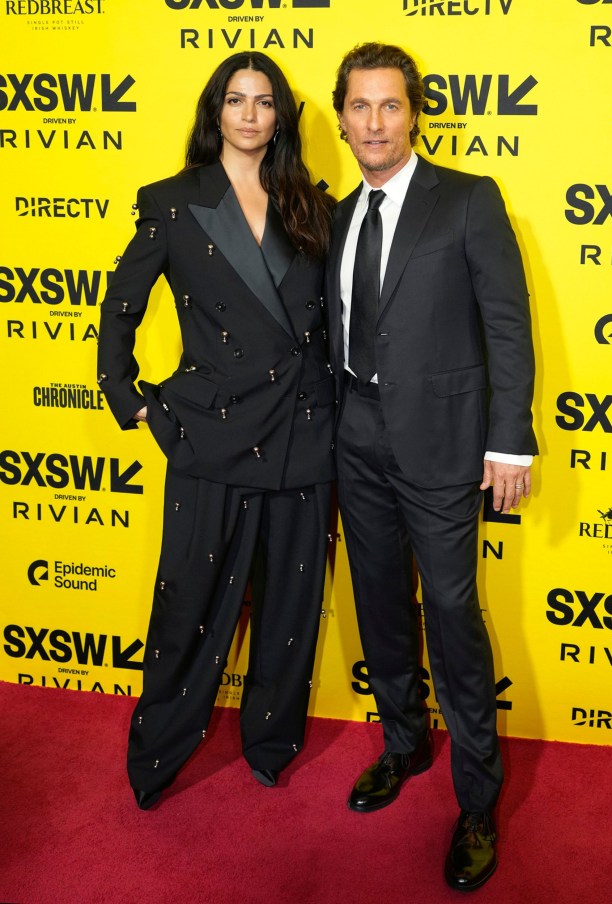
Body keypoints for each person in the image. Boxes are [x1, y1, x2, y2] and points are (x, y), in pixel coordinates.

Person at [97, 51, 336, 810]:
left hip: (303, 433)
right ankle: (161, 751)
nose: (251, 114)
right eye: (236, 99)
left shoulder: (314, 204)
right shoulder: (173, 201)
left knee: (291, 609)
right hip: (211, 433)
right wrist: (126, 396)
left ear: (281, 117)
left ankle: (270, 745)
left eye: (265, 102)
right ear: (215, 111)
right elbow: (120, 306)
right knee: (187, 604)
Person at [326, 43, 537, 891]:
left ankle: (478, 800)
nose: (374, 122)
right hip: (357, 435)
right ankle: (404, 744)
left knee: (452, 615)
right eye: (359, 107)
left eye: (390, 106)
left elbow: (508, 325)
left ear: (414, 114)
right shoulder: (339, 214)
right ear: (340, 118)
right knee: (379, 604)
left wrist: (509, 440)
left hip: (446, 445)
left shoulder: (469, 200)